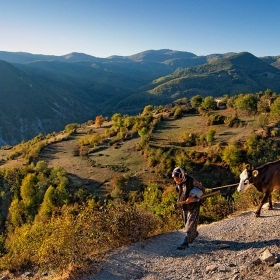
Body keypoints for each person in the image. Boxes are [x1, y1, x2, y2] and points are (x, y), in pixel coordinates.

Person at [172, 167, 205, 250]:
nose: (176, 180)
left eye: (177, 178)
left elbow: (202, 189)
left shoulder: (191, 180)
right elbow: (180, 192)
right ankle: (193, 234)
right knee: (186, 222)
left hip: (194, 205)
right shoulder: (177, 182)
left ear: (181, 176)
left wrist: (192, 196)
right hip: (184, 206)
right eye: (175, 178)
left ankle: (186, 242)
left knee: (189, 225)